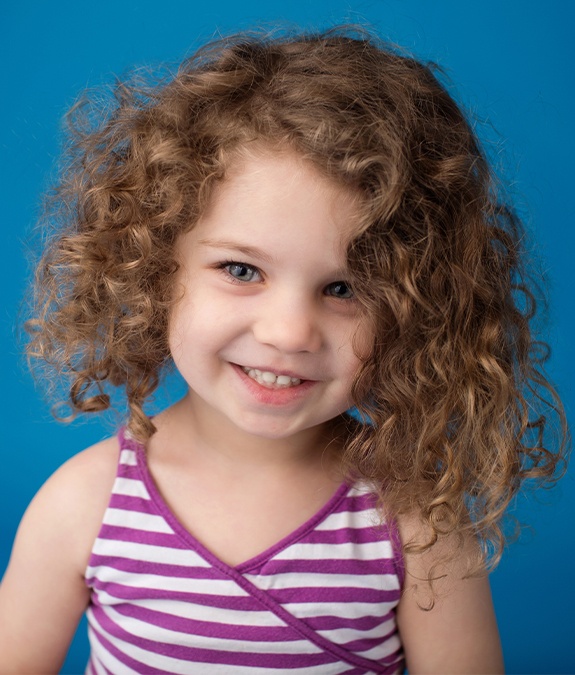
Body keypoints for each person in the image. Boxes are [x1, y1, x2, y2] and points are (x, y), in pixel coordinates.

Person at [0, 26, 568, 674]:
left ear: (417, 315)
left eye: (344, 288)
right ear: (156, 270)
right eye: (242, 270)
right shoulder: (86, 504)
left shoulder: (414, 522)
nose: (289, 331)